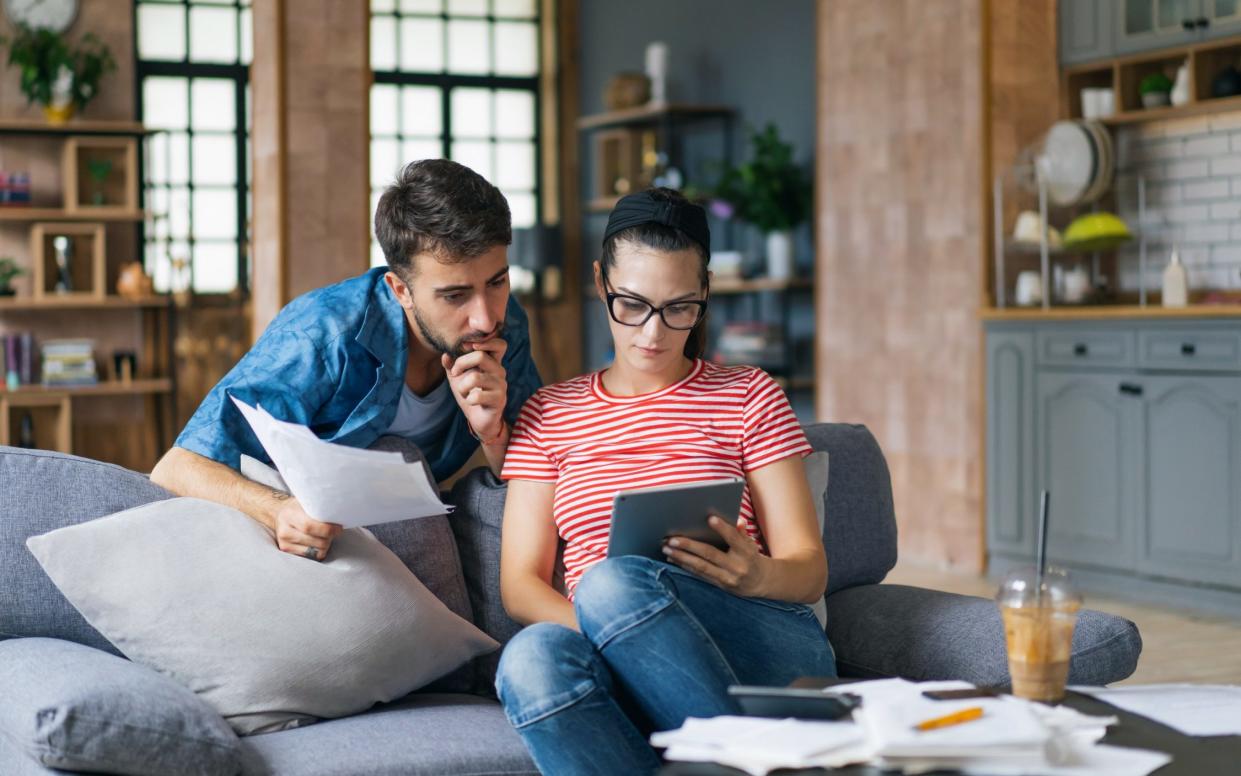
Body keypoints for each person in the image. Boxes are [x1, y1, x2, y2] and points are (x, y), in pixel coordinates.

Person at [494, 188, 835, 775]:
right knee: (530, 658)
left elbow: (809, 569)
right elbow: (520, 586)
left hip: (756, 635)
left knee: (609, 584)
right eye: (632, 304)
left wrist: (759, 575)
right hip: (608, 638)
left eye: (679, 308)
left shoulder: (749, 395)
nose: (653, 333)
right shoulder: (549, 413)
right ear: (602, 282)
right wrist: (616, 636)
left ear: (703, 296)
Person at [151, 159, 541, 562]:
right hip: (303, 531)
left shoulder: (505, 323)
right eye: (454, 295)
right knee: (393, 454)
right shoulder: (323, 333)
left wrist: (492, 433)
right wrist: (278, 510)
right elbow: (178, 467)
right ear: (400, 290)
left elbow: (537, 471)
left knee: (508, 503)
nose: (485, 317)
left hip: (410, 518)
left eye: (497, 282)